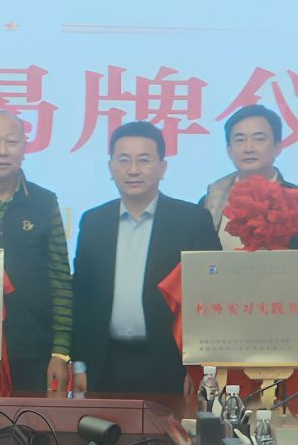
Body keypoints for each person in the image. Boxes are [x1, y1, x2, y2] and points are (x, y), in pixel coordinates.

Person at [72, 121, 222, 395]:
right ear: (110, 167)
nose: (133, 170)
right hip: (105, 362)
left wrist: (197, 367)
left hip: (170, 364)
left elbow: (209, 297)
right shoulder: (94, 221)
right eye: (123, 160)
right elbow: (82, 295)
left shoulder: (191, 221)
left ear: (162, 167)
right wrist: (79, 364)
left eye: (144, 160)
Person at [0, 110, 72, 395]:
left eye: (11, 142)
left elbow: (60, 279)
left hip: (33, 347)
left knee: (32, 422)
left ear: (24, 147)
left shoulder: (44, 202)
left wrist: (60, 352)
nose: (2, 151)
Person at [200, 104, 298, 249]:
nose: (248, 148)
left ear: (277, 147)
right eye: (240, 140)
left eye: (259, 139)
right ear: (229, 150)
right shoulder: (210, 201)